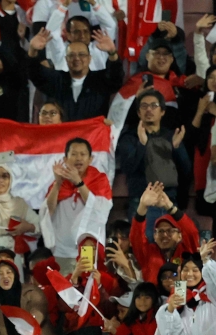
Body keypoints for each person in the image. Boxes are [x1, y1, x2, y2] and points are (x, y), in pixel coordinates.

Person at [116, 90, 191, 217]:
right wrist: (142, 144)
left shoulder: (171, 136)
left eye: (154, 106)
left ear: (162, 111)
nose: (149, 110)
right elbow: (128, 168)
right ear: (139, 113)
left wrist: (177, 148)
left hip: (168, 200)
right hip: (140, 201)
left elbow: (187, 170)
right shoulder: (129, 138)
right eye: (144, 106)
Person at [44, 138, 113, 273]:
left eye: (83, 154)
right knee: (64, 291)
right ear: (65, 159)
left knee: (86, 290)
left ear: (90, 158)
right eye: (74, 154)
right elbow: (48, 211)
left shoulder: (99, 180)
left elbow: (100, 210)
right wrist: (58, 184)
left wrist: (79, 183)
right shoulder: (59, 182)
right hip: (62, 251)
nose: (78, 158)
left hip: (88, 249)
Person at [26, 28, 123, 121]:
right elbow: (35, 73)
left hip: (92, 136)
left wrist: (112, 52)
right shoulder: (56, 80)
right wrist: (32, 50)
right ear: (66, 59)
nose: (76, 58)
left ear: (89, 58)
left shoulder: (100, 81)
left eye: (82, 55)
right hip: (63, 136)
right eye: (71, 55)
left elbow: (116, 77)